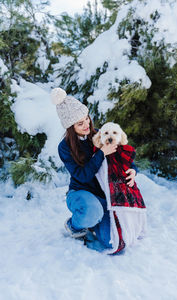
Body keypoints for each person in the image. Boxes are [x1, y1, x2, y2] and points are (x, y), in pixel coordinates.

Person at [51, 88, 139, 253]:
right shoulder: (64, 148)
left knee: (113, 244)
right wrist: (100, 154)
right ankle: (74, 225)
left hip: (104, 197)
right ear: (70, 126)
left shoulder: (100, 135)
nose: (87, 125)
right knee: (92, 211)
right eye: (80, 123)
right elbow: (82, 176)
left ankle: (94, 222)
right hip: (80, 193)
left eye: (87, 119)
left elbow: (123, 156)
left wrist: (133, 170)